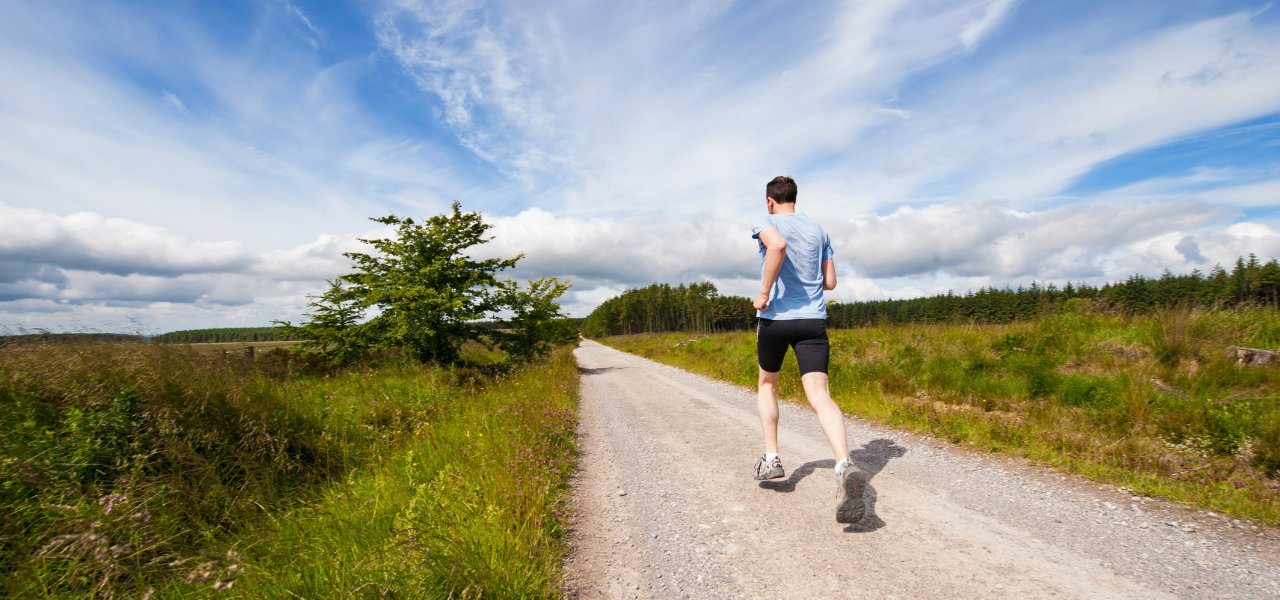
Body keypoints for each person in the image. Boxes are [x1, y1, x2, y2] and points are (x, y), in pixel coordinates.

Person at [750, 175, 865, 524]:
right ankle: (844, 463)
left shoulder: (766, 222)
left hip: (776, 320)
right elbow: (830, 282)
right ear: (794, 198)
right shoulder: (819, 229)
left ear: (770, 201)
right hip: (813, 321)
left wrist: (765, 293)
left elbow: (778, 246)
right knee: (820, 394)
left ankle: (772, 459)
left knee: (768, 384)